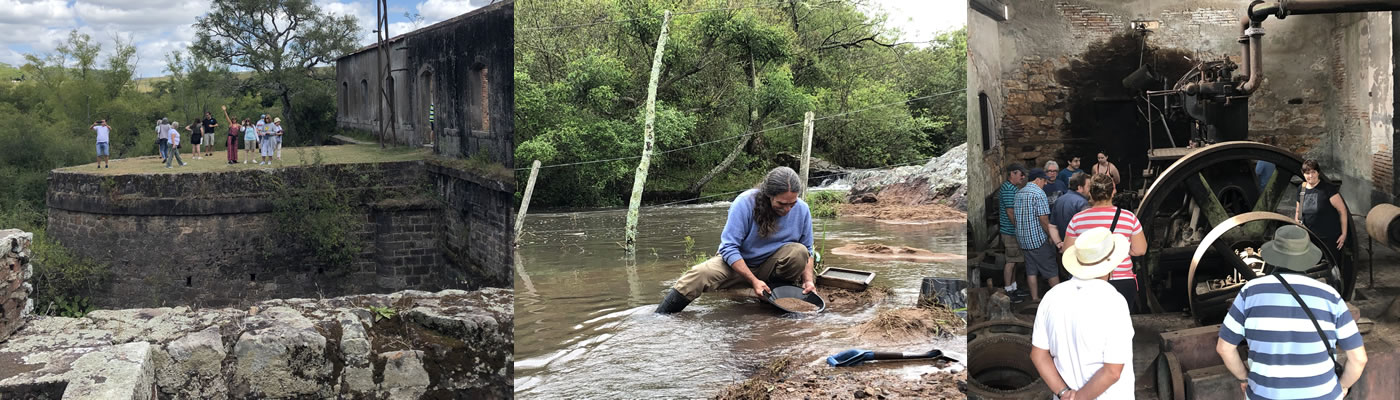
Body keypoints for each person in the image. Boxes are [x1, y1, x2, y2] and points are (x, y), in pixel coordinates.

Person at [1216, 225, 1367, 400]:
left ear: (1273, 255)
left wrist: (1244, 378)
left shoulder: (1250, 292)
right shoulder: (1330, 296)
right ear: (1307, 258)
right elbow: (1359, 359)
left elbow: (1224, 348)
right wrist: (1343, 386)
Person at [656, 167, 816, 314]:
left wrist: (808, 281)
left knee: (799, 252)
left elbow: (808, 250)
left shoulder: (802, 209)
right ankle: (661, 317)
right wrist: (753, 280)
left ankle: (775, 291)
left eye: (792, 204)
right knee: (697, 275)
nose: (787, 209)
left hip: (771, 266)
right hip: (737, 265)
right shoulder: (744, 203)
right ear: (769, 196)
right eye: (781, 203)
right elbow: (728, 248)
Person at [1031, 227, 1135, 400]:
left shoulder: (1052, 296)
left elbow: (1038, 354)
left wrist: (1064, 393)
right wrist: (1078, 398)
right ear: (1111, 263)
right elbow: (1113, 371)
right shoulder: (1113, 301)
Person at [1064, 174, 1147, 313]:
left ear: (1090, 192)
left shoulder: (1077, 219)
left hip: (1087, 279)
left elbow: (1068, 251)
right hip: (1121, 279)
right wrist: (1119, 249)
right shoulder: (1129, 217)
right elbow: (1140, 250)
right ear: (1113, 191)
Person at [1014, 168, 1062, 301]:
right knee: (1051, 269)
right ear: (1038, 180)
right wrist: (1052, 236)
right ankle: (1059, 300)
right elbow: (1043, 219)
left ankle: (1035, 298)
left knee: (1031, 270)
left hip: (1023, 240)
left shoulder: (1019, 193)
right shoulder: (1039, 194)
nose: (1046, 184)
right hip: (1038, 240)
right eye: (1044, 181)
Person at [1296, 160, 1349, 250]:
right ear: (1303, 174)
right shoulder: (1301, 189)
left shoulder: (1328, 189)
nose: (1311, 176)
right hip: (1309, 238)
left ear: (1318, 173)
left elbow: (1342, 210)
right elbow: (1298, 212)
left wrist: (1344, 234)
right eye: (1307, 173)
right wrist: (1298, 230)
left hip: (1328, 239)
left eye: (1313, 172)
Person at [1000, 164, 1028, 297]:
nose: (1022, 177)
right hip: (1010, 231)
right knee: (1010, 261)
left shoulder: (1012, 188)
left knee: (1015, 260)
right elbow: (1010, 211)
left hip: (1013, 231)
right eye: (1020, 174)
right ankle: (1008, 290)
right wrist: (1019, 227)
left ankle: (1014, 287)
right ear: (1012, 174)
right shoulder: (1008, 189)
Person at [1050, 172, 1090, 242]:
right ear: (1080, 188)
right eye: (1088, 186)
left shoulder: (1058, 200)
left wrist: (1059, 243)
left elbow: (1052, 226)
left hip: (1063, 247)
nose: (1090, 189)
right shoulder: (1082, 203)